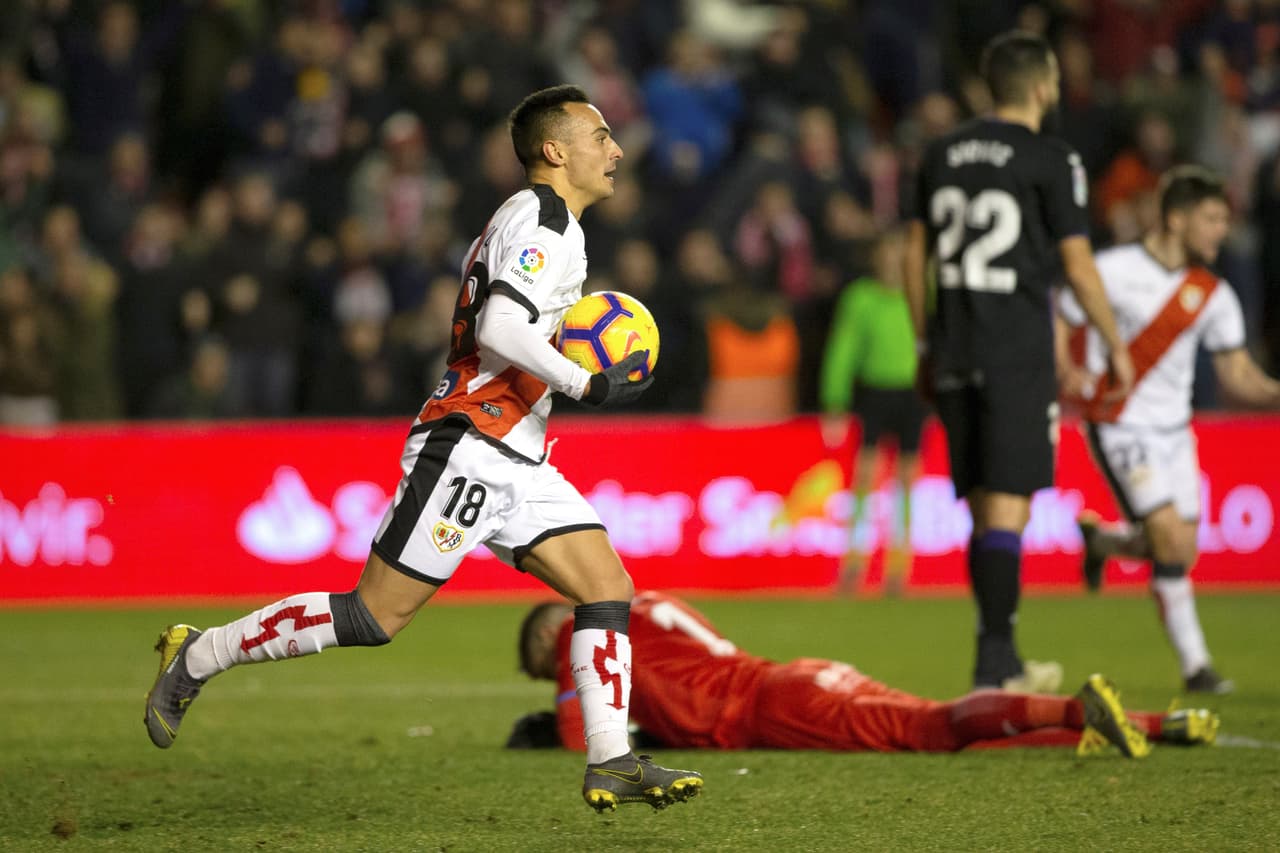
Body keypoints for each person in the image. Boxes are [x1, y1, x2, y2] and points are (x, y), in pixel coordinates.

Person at [143, 85, 703, 814]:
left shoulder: (551, 222)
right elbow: (502, 325)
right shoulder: (543, 219)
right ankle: (200, 653)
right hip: (470, 442)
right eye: (600, 136)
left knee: (606, 586)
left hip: (517, 450)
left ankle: (613, 760)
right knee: (372, 617)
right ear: (556, 150)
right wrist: (585, 382)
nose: (617, 149)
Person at [904, 30, 1135, 693]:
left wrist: (925, 342)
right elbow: (1076, 264)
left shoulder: (940, 152)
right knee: (1008, 509)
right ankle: (996, 663)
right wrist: (1113, 343)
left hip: (953, 346)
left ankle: (998, 654)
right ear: (1041, 86)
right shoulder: (1051, 157)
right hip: (1013, 351)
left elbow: (910, 254)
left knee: (987, 507)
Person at [1057, 165, 1280, 695]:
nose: (1221, 230)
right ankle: (1197, 667)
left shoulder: (1213, 294)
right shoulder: (1111, 270)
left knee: (1179, 550)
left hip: (1176, 433)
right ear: (1176, 219)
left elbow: (1238, 376)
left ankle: (1105, 543)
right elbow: (1063, 312)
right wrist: (1066, 368)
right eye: (1211, 218)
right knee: (1166, 536)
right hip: (1120, 422)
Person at [510, 592, 1219, 757]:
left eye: (545, 662)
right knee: (945, 729)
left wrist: (557, 711)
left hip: (774, 707)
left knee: (935, 729)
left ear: (551, 633)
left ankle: (1073, 709)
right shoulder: (644, 600)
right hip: (798, 675)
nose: (556, 669)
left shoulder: (580, 629)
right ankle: (1161, 723)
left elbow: (580, 734)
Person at [820, 226, 927, 595]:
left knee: (907, 483)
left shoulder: (923, 295)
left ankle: (899, 570)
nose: (893, 264)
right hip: (875, 393)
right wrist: (834, 401)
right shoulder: (861, 298)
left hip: (914, 394)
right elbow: (843, 349)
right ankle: (854, 565)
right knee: (865, 479)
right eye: (887, 256)